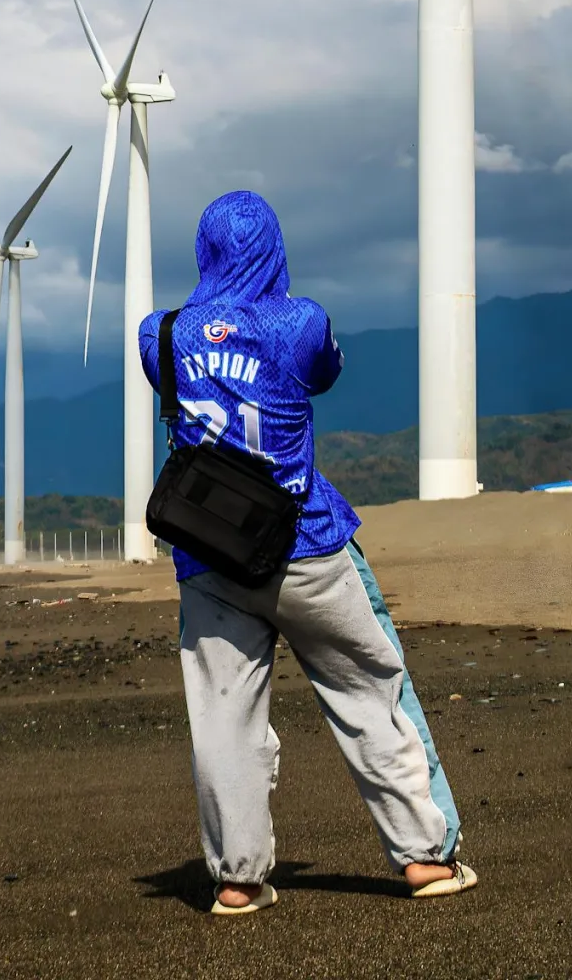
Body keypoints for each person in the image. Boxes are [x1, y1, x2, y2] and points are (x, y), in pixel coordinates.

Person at [138, 190, 477, 915]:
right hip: (307, 542)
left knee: (224, 719)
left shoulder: (158, 333)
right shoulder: (299, 321)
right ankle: (425, 857)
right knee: (369, 691)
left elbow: (179, 384)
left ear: (204, 252)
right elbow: (323, 371)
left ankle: (236, 879)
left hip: (209, 555)